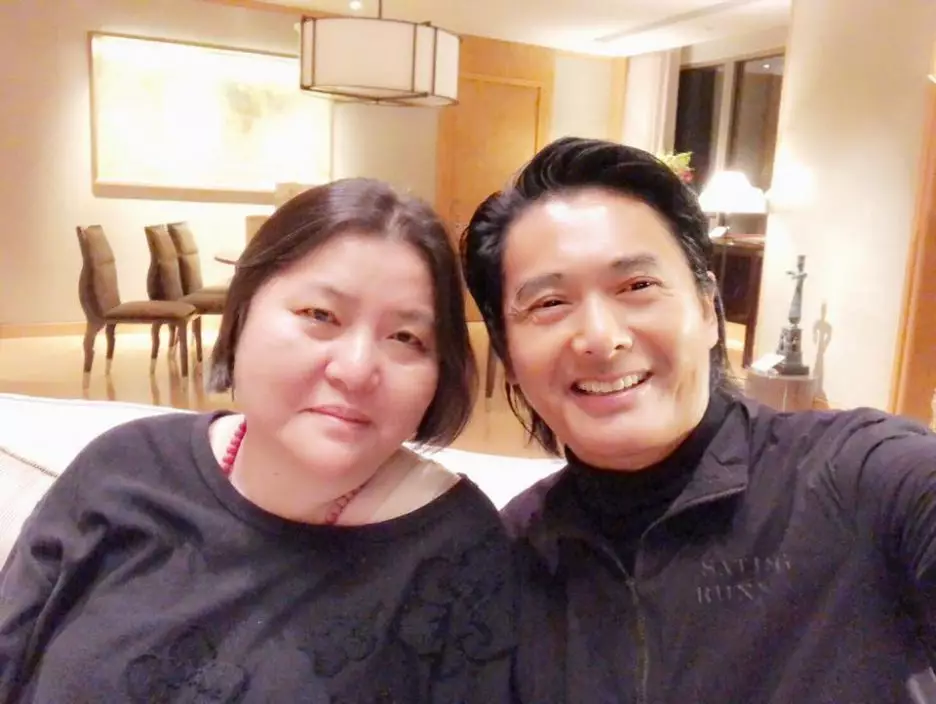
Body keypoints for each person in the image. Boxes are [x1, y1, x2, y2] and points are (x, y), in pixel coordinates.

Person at [0, 179, 516, 703]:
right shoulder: (124, 467)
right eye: (320, 315)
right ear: (242, 312)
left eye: (406, 337)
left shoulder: (459, 552)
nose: (357, 369)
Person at [460, 137, 936, 703]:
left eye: (637, 286)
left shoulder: (862, 481)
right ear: (508, 355)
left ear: (708, 310)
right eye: (549, 303)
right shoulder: (511, 555)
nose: (600, 339)